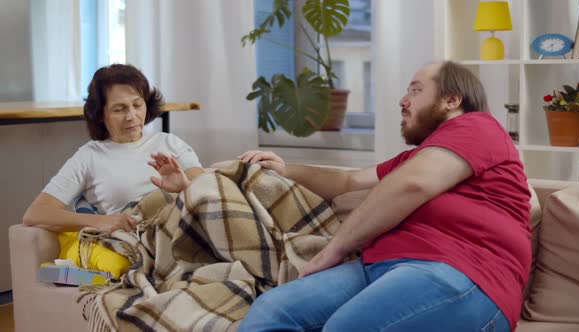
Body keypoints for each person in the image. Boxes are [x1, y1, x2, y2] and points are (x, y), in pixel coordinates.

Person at [236, 61, 531, 332]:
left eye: (415, 91)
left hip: (467, 273)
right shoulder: (414, 160)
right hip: (381, 265)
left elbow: (412, 185)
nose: (403, 101)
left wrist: (334, 249)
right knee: (271, 310)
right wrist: (286, 169)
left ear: (452, 100)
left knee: (346, 327)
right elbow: (347, 180)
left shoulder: (478, 126)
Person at [23, 64, 203, 233]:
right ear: (101, 114)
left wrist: (184, 187)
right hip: (142, 239)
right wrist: (101, 221)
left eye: (137, 105)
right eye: (119, 109)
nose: (131, 116)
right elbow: (35, 214)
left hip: (185, 228)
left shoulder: (170, 143)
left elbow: (211, 195)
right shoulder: (89, 156)